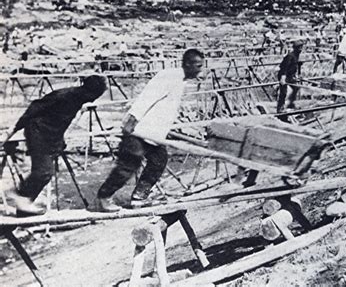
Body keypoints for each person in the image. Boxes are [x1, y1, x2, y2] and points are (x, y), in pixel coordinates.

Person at [96, 48, 205, 211]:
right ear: (188, 64)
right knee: (129, 165)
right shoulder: (169, 76)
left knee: (159, 161)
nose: (200, 70)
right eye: (198, 65)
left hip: (153, 133)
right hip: (138, 130)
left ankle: (139, 197)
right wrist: (132, 119)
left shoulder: (181, 80)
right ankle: (104, 197)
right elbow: (147, 97)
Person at [7, 75, 107, 216]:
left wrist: (59, 140)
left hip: (51, 134)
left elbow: (59, 120)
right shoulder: (65, 95)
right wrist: (14, 129)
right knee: (44, 172)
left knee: (44, 172)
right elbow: (35, 107)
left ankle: (23, 210)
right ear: (93, 93)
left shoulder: (79, 98)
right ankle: (20, 196)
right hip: (37, 131)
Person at [276, 39, 304, 113]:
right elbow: (284, 67)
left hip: (290, 76)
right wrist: (283, 77)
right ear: (295, 48)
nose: (300, 49)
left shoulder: (297, 56)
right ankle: (280, 108)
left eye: (301, 47)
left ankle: (291, 104)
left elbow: (294, 67)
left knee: (296, 88)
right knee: (283, 92)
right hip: (283, 75)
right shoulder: (290, 56)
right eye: (299, 48)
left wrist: (296, 75)